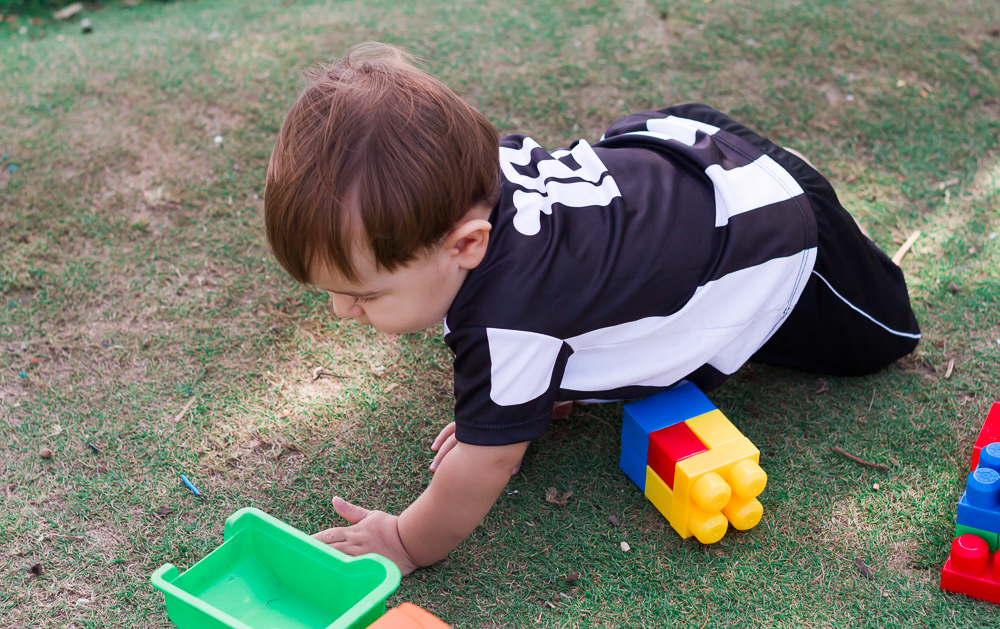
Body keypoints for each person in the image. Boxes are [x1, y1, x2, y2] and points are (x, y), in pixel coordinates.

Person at [263, 42, 920, 575]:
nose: (342, 312)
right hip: (681, 144)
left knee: (882, 338)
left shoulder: (507, 321)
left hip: (772, 220)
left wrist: (407, 540)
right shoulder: (474, 177)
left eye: (365, 294)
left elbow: (487, 461)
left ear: (465, 244)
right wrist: (522, 397)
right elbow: (567, 284)